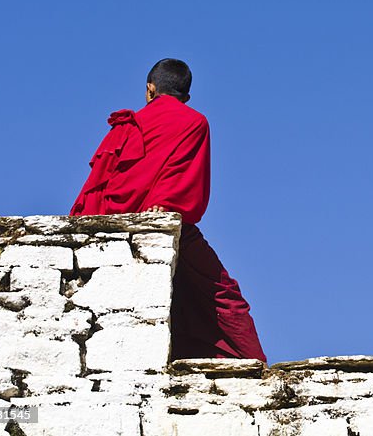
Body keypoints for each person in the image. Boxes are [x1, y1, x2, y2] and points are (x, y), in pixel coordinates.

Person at [70, 58, 266, 362]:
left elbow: (100, 182)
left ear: (150, 89)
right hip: (168, 226)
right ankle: (250, 366)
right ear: (186, 96)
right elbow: (189, 185)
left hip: (111, 226)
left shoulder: (128, 126)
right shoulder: (195, 122)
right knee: (222, 296)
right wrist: (167, 208)